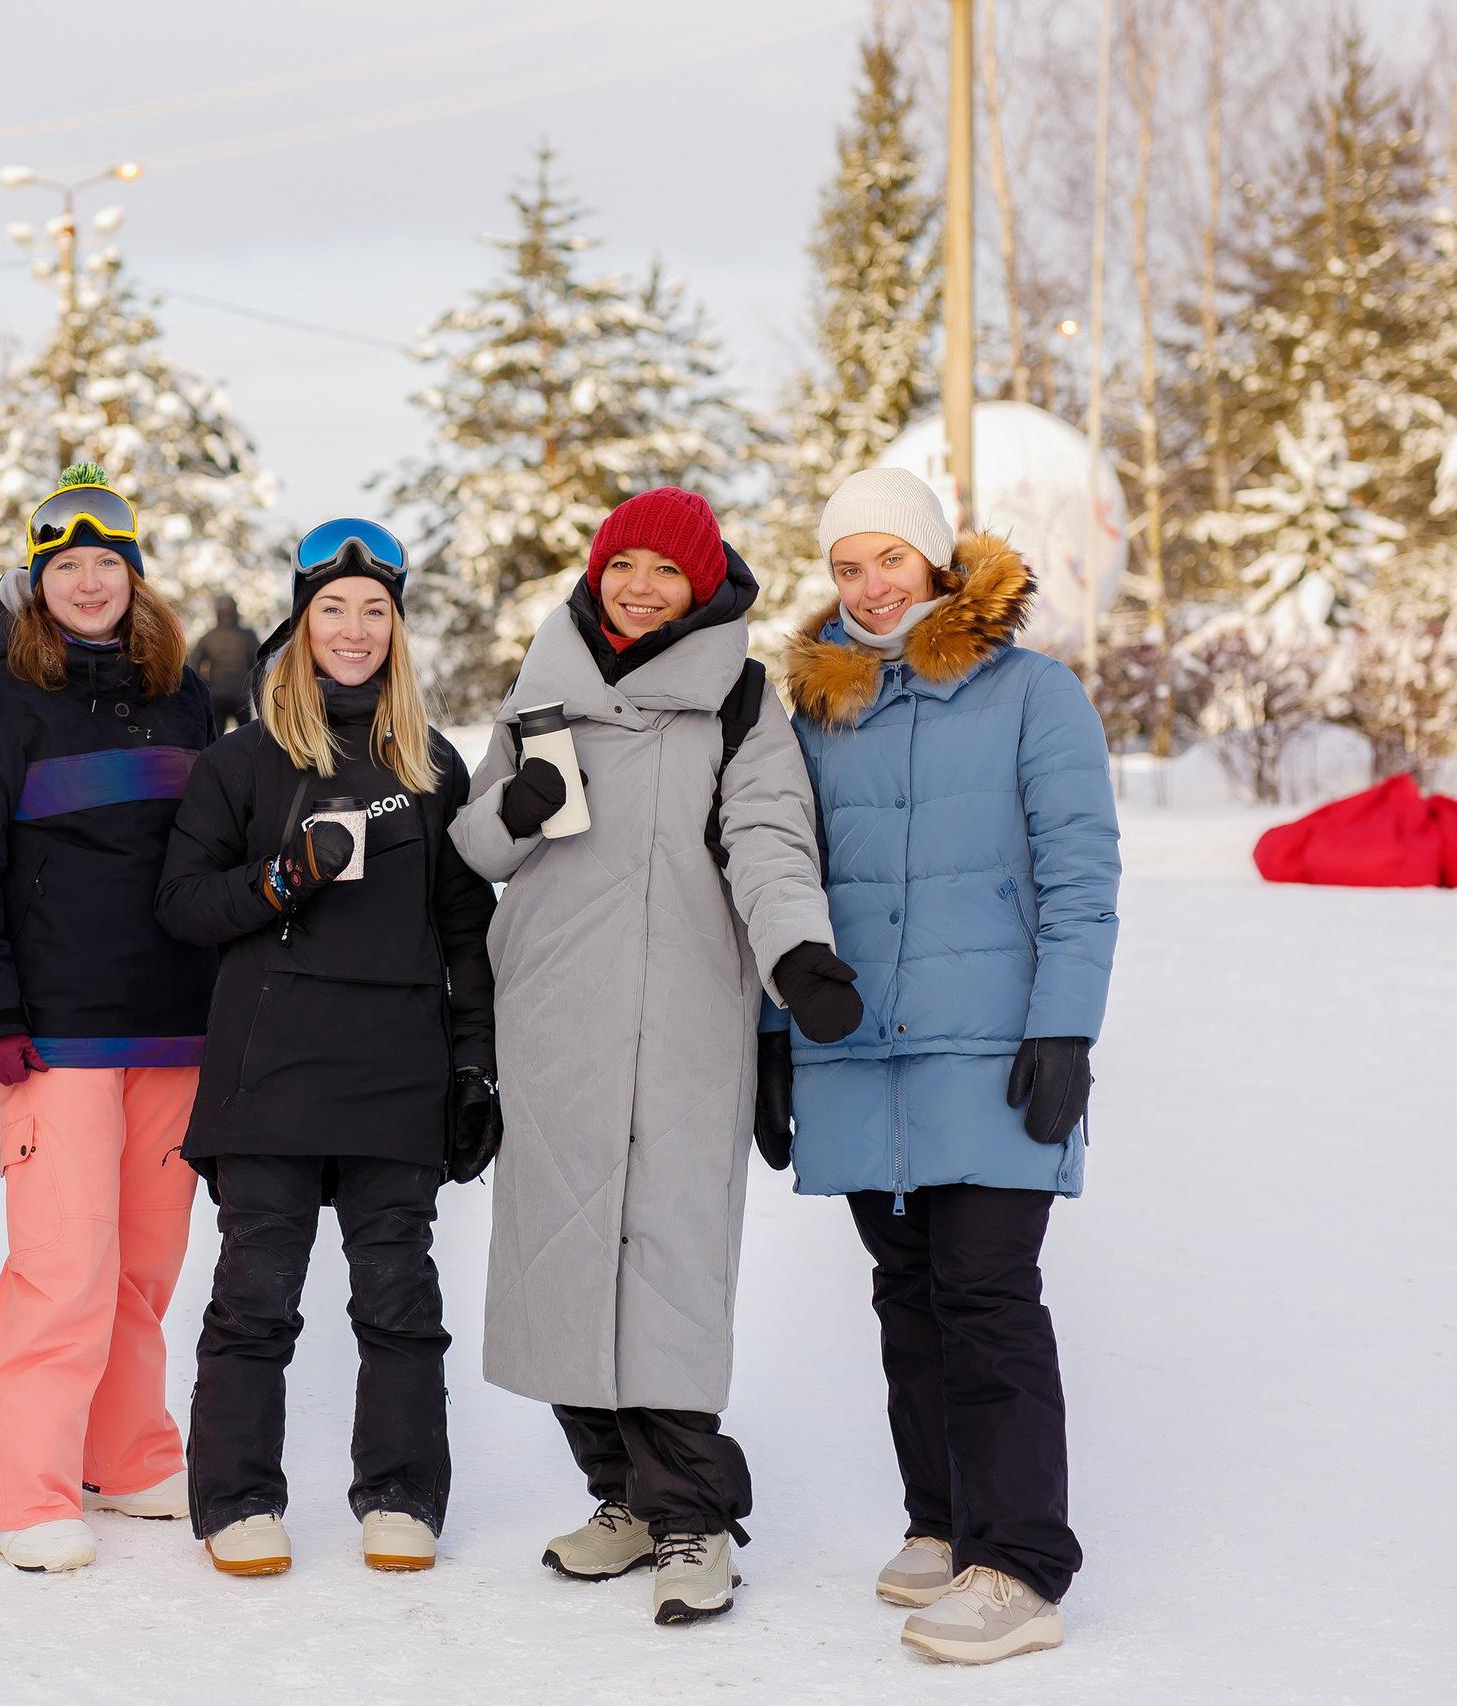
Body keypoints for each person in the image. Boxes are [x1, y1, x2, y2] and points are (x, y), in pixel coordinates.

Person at [450, 488, 850, 1627]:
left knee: (669, 1263)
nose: (637, 586)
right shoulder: (544, 686)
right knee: (562, 1256)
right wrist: (517, 808)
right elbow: (475, 842)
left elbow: (767, 839)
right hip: (554, 1017)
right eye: (621, 564)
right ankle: (619, 1495)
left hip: (683, 1022)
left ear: (702, 584)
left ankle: (693, 1518)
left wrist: (798, 954)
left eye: (662, 572)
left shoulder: (738, 700)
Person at [764, 467, 1118, 1666]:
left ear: (936, 561)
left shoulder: (1032, 692)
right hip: (859, 1050)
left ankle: (1018, 1562)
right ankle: (939, 1517)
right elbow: (782, 889)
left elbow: (1080, 870)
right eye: (847, 566)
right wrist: (775, 1042)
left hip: (995, 1046)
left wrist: (1065, 1025)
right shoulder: (816, 713)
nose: (868, 588)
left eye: (889, 561)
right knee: (904, 1289)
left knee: (984, 1289)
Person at [156, 519, 497, 1578]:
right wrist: (277, 880)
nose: (353, 630)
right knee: (256, 1295)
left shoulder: (432, 764)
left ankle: (400, 1491)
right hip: (272, 1068)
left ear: (397, 630)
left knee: (399, 1295)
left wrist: (476, 1062)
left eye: (374, 611)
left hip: (396, 1065)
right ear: (298, 627)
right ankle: (236, 1496)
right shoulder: (242, 761)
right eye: (332, 610)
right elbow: (180, 905)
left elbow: (463, 929)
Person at [0, 463, 219, 1573]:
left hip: (173, 1024)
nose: (90, 581)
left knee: (146, 1264)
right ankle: (15, 1493)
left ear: (135, 581)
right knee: (62, 1266)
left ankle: (127, 1454)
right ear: (36, 583)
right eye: (68, 566)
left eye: (109, 563)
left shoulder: (184, 694)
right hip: (55, 1031)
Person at [188, 592, 260, 732]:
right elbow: (261, 663)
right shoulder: (248, 636)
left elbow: (193, 665)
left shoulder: (208, 637)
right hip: (240, 695)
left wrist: (205, 686)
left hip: (216, 695)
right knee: (247, 741)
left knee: (215, 742)